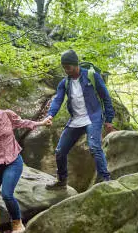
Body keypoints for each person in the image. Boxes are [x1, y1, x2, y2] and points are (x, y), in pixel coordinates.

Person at [0, 89, 52, 233]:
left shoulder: (7, 115)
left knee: (7, 194)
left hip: (13, 161)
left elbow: (22, 123)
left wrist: (42, 123)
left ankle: (17, 223)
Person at [44, 49, 116, 190]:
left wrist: (109, 119)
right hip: (75, 120)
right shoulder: (64, 83)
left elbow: (105, 97)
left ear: (76, 65)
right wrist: (50, 115)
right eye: (64, 67)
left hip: (93, 117)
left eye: (68, 67)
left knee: (94, 146)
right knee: (60, 151)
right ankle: (62, 181)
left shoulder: (92, 76)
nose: (66, 70)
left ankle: (105, 179)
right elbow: (58, 100)